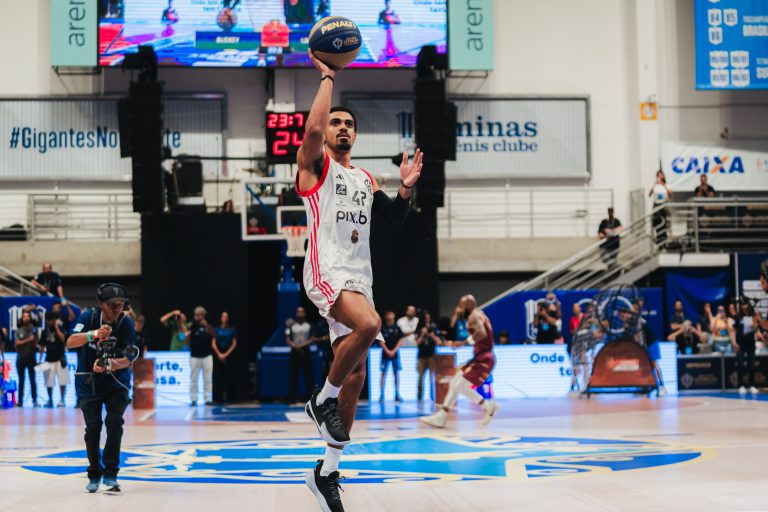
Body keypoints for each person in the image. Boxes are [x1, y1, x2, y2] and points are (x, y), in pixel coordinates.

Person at [296, 48, 422, 512]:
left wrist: (405, 187)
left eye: (349, 124)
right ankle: (320, 400)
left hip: (359, 278)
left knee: (358, 375)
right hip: (326, 270)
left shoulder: (365, 179)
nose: (342, 127)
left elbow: (395, 218)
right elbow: (312, 131)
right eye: (336, 123)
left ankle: (326, 472)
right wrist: (328, 78)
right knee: (370, 325)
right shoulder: (316, 167)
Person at [67, 283, 137, 494]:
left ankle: (111, 474)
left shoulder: (125, 323)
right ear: (101, 304)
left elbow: (130, 357)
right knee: (93, 428)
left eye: (121, 304)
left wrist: (110, 365)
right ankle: (94, 473)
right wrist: (94, 334)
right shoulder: (88, 317)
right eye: (112, 305)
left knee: (115, 422)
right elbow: (70, 341)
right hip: (88, 381)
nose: (117, 309)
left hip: (117, 382)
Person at [420, 295, 499, 428]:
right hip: (480, 356)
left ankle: (487, 406)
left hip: (484, 358)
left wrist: (463, 342)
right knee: (454, 383)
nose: (459, 308)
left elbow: (482, 333)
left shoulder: (474, 316)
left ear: (468, 305)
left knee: (459, 386)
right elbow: (479, 333)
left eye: (461, 305)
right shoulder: (479, 314)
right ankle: (442, 416)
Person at [186, 306, 216, 406]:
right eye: (197, 315)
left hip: (207, 356)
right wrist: (189, 332)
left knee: (208, 379)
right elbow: (186, 342)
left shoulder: (208, 326)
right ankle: (193, 399)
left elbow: (215, 334)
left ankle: (208, 399)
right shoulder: (192, 326)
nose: (198, 317)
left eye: (200, 315)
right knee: (193, 379)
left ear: (204, 315)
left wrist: (206, 325)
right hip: (194, 356)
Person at [41, 311, 68, 408]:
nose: (49, 322)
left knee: (63, 381)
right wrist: (40, 360)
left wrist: (57, 328)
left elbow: (64, 339)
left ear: (54, 320)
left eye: (51, 320)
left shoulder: (60, 328)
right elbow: (42, 345)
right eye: (47, 320)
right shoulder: (45, 331)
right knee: (48, 381)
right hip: (48, 359)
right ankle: (50, 400)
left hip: (60, 359)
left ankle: (62, 400)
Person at [287, 307, 314, 404]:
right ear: (296, 313)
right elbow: (288, 339)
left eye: (302, 312)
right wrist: (295, 346)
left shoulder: (309, 325)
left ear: (305, 313)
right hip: (294, 352)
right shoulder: (291, 326)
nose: (300, 314)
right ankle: (292, 398)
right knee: (293, 375)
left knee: (309, 375)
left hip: (305, 351)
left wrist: (302, 346)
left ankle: (311, 398)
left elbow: (312, 338)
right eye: (298, 312)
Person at [15, 310, 39, 407]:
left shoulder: (34, 329)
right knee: (21, 380)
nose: (26, 318)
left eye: (27, 316)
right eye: (24, 316)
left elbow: (35, 342)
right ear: (22, 318)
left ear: (30, 318)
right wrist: (28, 340)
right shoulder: (18, 330)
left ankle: (34, 400)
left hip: (31, 357)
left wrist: (28, 341)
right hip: (20, 358)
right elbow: (17, 343)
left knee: (32, 380)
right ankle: (20, 401)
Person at [379, 310, 405, 402]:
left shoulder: (397, 328)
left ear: (394, 315)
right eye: (388, 314)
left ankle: (397, 394)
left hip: (395, 354)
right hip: (385, 354)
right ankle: (381, 394)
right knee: (383, 374)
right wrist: (387, 350)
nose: (390, 316)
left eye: (391, 314)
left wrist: (394, 351)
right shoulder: (382, 327)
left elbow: (401, 340)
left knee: (396, 374)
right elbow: (380, 340)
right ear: (386, 316)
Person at [213, 311, 238, 404]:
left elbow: (234, 343)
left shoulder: (232, 330)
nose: (225, 318)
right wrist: (219, 354)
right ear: (221, 318)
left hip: (228, 354)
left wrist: (226, 354)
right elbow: (213, 343)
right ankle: (217, 398)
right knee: (218, 376)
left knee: (229, 377)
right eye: (223, 316)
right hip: (218, 353)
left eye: (226, 316)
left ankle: (230, 398)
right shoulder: (216, 329)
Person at [416, 310, 441, 401]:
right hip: (421, 356)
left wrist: (432, 335)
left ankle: (433, 396)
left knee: (432, 377)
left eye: (428, 318)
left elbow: (439, 342)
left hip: (431, 356)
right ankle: (419, 397)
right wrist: (422, 334)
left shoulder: (433, 327)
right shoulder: (419, 329)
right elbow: (416, 343)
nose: (427, 319)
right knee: (420, 377)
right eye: (425, 318)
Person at [734, 299, 758, 394]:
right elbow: (734, 330)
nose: (744, 306)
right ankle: (740, 385)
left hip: (751, 343)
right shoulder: (738, 316)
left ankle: (752, 385)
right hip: (741, 344)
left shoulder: (753, 315)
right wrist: (734, 342)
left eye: (745, 304)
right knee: (740, 364)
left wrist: (754, 326)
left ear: (748, 305)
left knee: (751, 364)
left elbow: (756, 329)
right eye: (742, 304)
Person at [649, 169, 672, 245]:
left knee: (664, 223)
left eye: (661, 175)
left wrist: (663, 184)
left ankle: (664, 239)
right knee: (657, 222)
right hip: (656, 205)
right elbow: (649, 194)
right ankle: (659, 238)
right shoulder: (654, 185)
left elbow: (670, 194)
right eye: (658, 175)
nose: (660, 176)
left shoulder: (666, 185)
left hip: (664, 205)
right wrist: (655, 184)